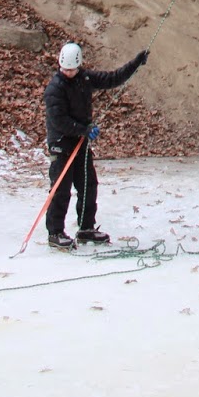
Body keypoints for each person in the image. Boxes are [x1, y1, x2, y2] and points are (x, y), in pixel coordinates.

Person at [43, 41, 149, 249]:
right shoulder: (55, 89)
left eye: (72, 69)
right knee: (61, 190)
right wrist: (83, 129)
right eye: (65, 69)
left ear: (78, 66)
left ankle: (86, 228)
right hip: (61, 144)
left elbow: (113, 78)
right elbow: (59, 121)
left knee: (88, 185)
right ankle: (55, 232)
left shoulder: (84, 78)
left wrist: (135, 63)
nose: (69, 72)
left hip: (80, 144)